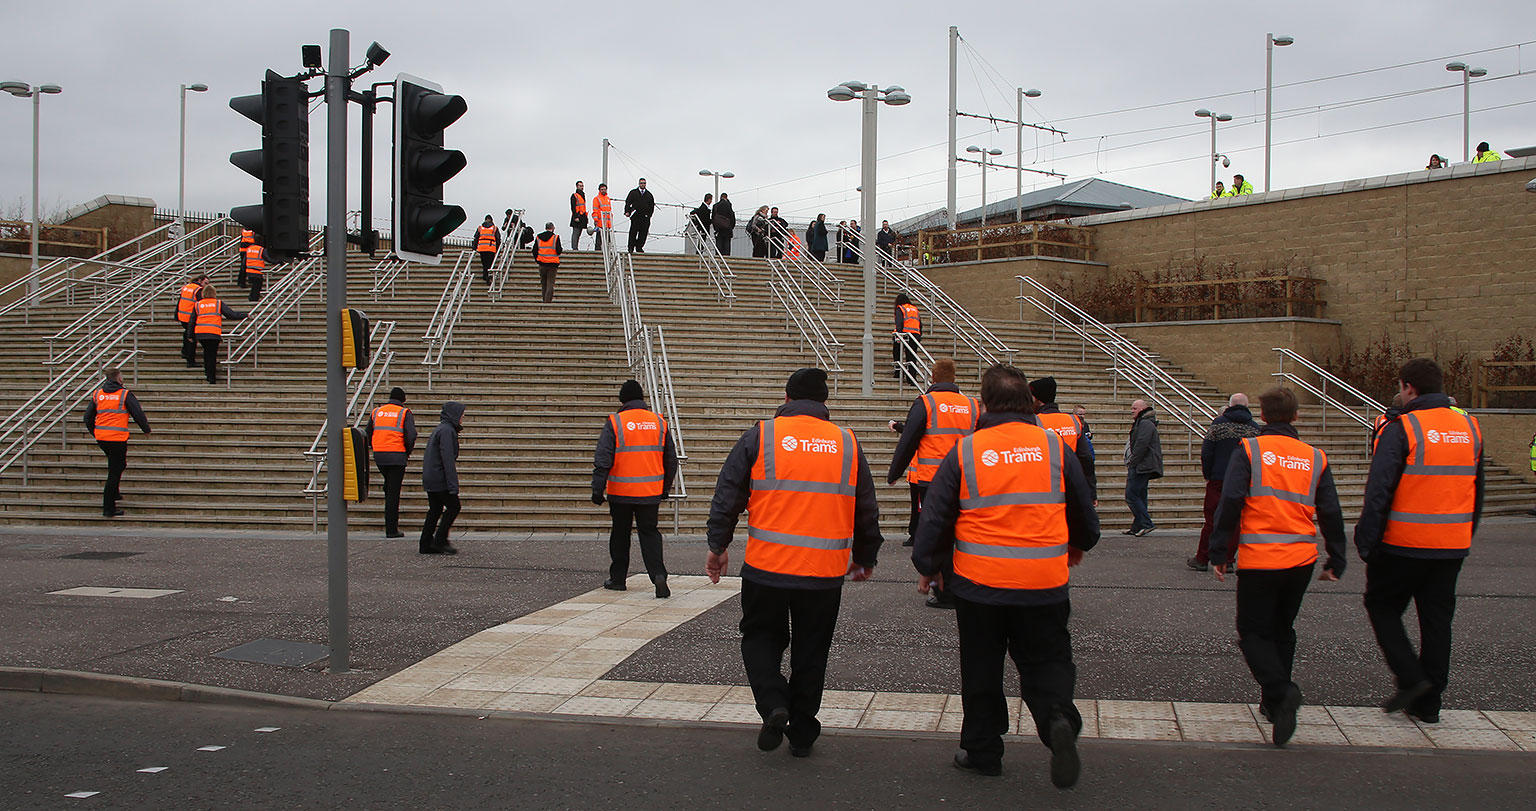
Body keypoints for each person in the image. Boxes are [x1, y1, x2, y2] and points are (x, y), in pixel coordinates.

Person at [911, 363, 1099, 787]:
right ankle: (1056, 719)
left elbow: (937, 518)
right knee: (1046, 661)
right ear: (1028, 402)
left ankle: (983, 751)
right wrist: (1077, 546)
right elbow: (1085, 516)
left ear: (986, 403)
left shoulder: (966, 451)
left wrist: (930, 567)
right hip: (1044, 583)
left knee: (981, 667)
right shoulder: (1055, 448)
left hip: (979, 586)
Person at [705, 367, 884, 757]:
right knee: (812, 649)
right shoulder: (846, 442)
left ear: (786, 399)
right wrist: (865, 556)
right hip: (822, 574)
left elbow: (728, 494)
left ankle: (774, 704)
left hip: (767, 568)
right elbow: (866, 507)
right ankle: (802, 731)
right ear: (824, 403)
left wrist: (718, 545)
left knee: (760, 638)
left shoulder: (762, 436)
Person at [1207, 387, 1347, 746]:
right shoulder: (1314, 457)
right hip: (1300, 558)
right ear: (1296, 417)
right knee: (1283, 629)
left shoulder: (1251, 450)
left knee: (1253, 632)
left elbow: (1232, 501)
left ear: (1263, 417)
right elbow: (1330, 510)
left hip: (1260, 557)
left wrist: (1220, 551)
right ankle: (1273, 704)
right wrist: (1337, 555)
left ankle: (1282, 691)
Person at [1356, 358, 1484, 725]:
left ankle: (1412, 679)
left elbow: (1379, 488)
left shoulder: (1404, 427)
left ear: (1409, 387)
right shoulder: (1469, 427)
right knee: (1437, 620)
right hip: (1451, 543)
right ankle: (1430, 705)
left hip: (1405, 542)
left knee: (1382, 606)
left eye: (1400, 387)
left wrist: (1367, 541)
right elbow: (1478, 490)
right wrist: (1464, 533)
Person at [887, 358, 978, 609]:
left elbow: (909, 440)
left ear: (933, 378)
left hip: (932, 481)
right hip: (967, 480)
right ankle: (969, 584)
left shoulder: (926, 403)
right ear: (954, 377)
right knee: (965, 535)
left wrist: (894, 472)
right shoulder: (972, 405)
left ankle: (945, 591)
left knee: (939, 538)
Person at [592, 379, 679, 598]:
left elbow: (603, 458)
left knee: (620, 535)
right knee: (650, 534)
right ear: (642, 399)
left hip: (620, 493)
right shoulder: (659, 422)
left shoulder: (616, 422)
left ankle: (618, 579)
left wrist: (597, 488)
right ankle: (658, 575)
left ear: (623, 399)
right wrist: (665, 488)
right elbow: (671, 459)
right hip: (649, 493)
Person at [1189, 394, 1261, 572]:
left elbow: (1207, 453)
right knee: (1235, 521)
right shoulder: (1255, 429)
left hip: (1218, 479)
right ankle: (1227, 559)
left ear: (1229, 405)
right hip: (1242, 481)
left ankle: (1202, 557)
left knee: (1212, 520)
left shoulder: (1218, 425)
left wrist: (1209, 474)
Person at [82, 367, 151, 518]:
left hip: (102, 437)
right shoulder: (124, 394)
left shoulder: (98, 394)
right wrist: (146, 429)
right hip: (117, 438)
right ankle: (109, 507)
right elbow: (137, 412)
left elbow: (87, 418)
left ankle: (115, 493)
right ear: (119, 378)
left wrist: (95, 432)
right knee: (114, 470)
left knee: (117, 465)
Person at [1031, 377, 1097, 502]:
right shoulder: (1073, 421)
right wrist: (1091, 492)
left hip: (1046, 488)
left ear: (1035, 399)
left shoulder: (1034, 422)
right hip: (1071, 484)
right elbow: (1086, 459)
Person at [367, 387, 418, 540]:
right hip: (397, 455)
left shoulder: (377, 412)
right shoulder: (404, 412)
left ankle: (390, 521)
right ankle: (391, 529)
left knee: (389, 488)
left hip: (380, 456)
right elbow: (411, 435)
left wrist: (375, 446)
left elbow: (368, 432)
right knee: (393, 493)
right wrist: (407, 451)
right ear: (403, 400)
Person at [420, 401, 466, 555]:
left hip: (431, 476)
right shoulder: (447, 431)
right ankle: (440, 539)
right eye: (461, 414)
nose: (462, 417)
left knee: (435, 509)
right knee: (454, 507)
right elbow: (447, 459)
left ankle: (426, 542)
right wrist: (453, 485)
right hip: (440, 477)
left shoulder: (441, 429)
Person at [191, 285, 247, 385]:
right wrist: (245, 315)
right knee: (212, 354)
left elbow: (192, 321)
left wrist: (190, 335)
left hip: (200, 332)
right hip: (213, 332)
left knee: (206, 352)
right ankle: (211, 377)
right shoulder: (218, 303)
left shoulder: (198, 304)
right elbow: (231, 315)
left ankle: (208, 373)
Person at [1123, 399, 1162, 536]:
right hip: (1144, 464)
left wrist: (1133, 462)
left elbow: (1141, 444)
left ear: (1141, 409)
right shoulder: (1145, 422)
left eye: (1134, 408)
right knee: (1140, 495)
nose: (1131, 411)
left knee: (1131, 495)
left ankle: (1146, 523)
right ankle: (1138, 525)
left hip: (1142, 465)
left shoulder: (1145, 423)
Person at [174, 273, 208, 368]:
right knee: (192, 338)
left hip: (183, 316)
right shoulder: (198, 290)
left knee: (187, 334)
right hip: (190, 317)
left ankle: (184, 352)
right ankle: (190, 360)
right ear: (199, 281)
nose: (206, 285)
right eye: (205, 283)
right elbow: (201, 303)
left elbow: (180, 301)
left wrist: (176, 314)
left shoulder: (186, 287)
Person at [892, 292, 922, 383]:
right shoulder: (914, 309)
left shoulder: (901, 308)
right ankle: (912, 378)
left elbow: (899, 322)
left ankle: (898, 372)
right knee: (912, 357)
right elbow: (920, 323)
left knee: (897, 352)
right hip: (915, 334)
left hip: (904, 334)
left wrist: (898, 334)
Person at [533, 221, 562, 303]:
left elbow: (534, 250)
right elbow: (559, 250)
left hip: (542, 263)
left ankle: (543, 299)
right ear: (552, 228)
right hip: (552, 264)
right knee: (550, 283)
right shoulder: (555, 237)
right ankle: (547, 300)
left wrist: (537, 259)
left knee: (543, 283)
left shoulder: (538, 237)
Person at [624, 178, 655, 253]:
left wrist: (649, 215)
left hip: (645, 217)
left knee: (643, 233)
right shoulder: (633, 193)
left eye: (644, 183)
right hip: (636, 216)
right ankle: (630, 247)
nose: (643, 184)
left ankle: (639, 247)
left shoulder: (649, 195)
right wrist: (627, 211)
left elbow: (652, 206)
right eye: (641, 183)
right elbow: (628, 202)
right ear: (639, 184)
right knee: (633, 232)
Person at [474, 215, 500, 284]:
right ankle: (488, 277)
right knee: (489, 263)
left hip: (482, 248)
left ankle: (484, 275)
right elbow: (498, 239)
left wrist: (474, 248)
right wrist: (498, 249)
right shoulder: (494, 228)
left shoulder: (480, 228)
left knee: (484, 262)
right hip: (491, 248)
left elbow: (476, 238)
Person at [590, 184, 613, 251]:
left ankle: (608, 251)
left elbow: (609, 209)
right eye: (602, 189)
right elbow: (595, 210)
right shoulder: (597, 199)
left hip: (608, 223)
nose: (603, 191)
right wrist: (596, 220)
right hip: (601, 222)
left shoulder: (607, 199)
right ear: (599, 190)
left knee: (608, 240)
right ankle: (598, 251)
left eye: (604, 189)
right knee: (599, 239)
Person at [570, 181, 589, 250]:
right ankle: (574, 247)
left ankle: (575, 247)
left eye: (582, 186)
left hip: (582, 216)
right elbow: (573, 207)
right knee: (576, 233)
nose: (582, 187)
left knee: (579, 233)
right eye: (580, 186)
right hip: (577, 216)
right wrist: (575, 216)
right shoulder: (574, 195)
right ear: (577, 186)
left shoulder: (583, 195)